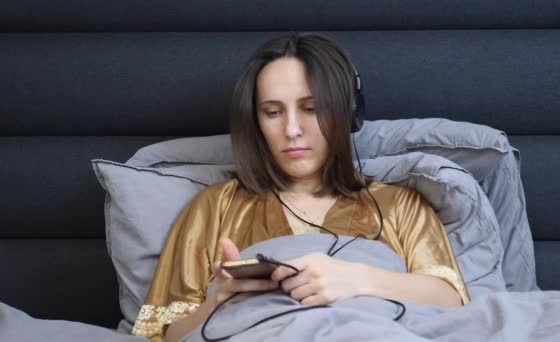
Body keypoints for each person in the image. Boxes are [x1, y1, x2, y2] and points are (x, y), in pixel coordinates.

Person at [132, 32, 470, 342]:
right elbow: (161, 335)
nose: (292, 129)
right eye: (273, 112)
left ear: (348, 113)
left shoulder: (400, 205)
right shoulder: (214, 206)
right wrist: (220, 301)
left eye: (311, 108)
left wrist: (356, 280)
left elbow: (453, 302)